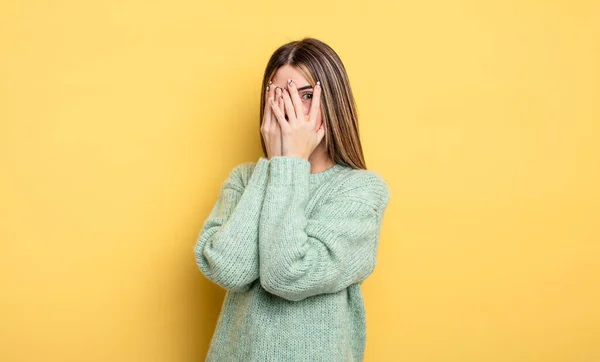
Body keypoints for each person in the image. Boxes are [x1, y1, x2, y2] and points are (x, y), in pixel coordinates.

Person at [193, 37, 391, 362]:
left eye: (307, 96)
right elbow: (228, 270)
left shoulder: (361, 191)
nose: (292, 111)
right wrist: (276, 166)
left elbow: (287, 274)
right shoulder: (245, 180)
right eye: (281, 96)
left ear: (334, 103)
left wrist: (288, 165)